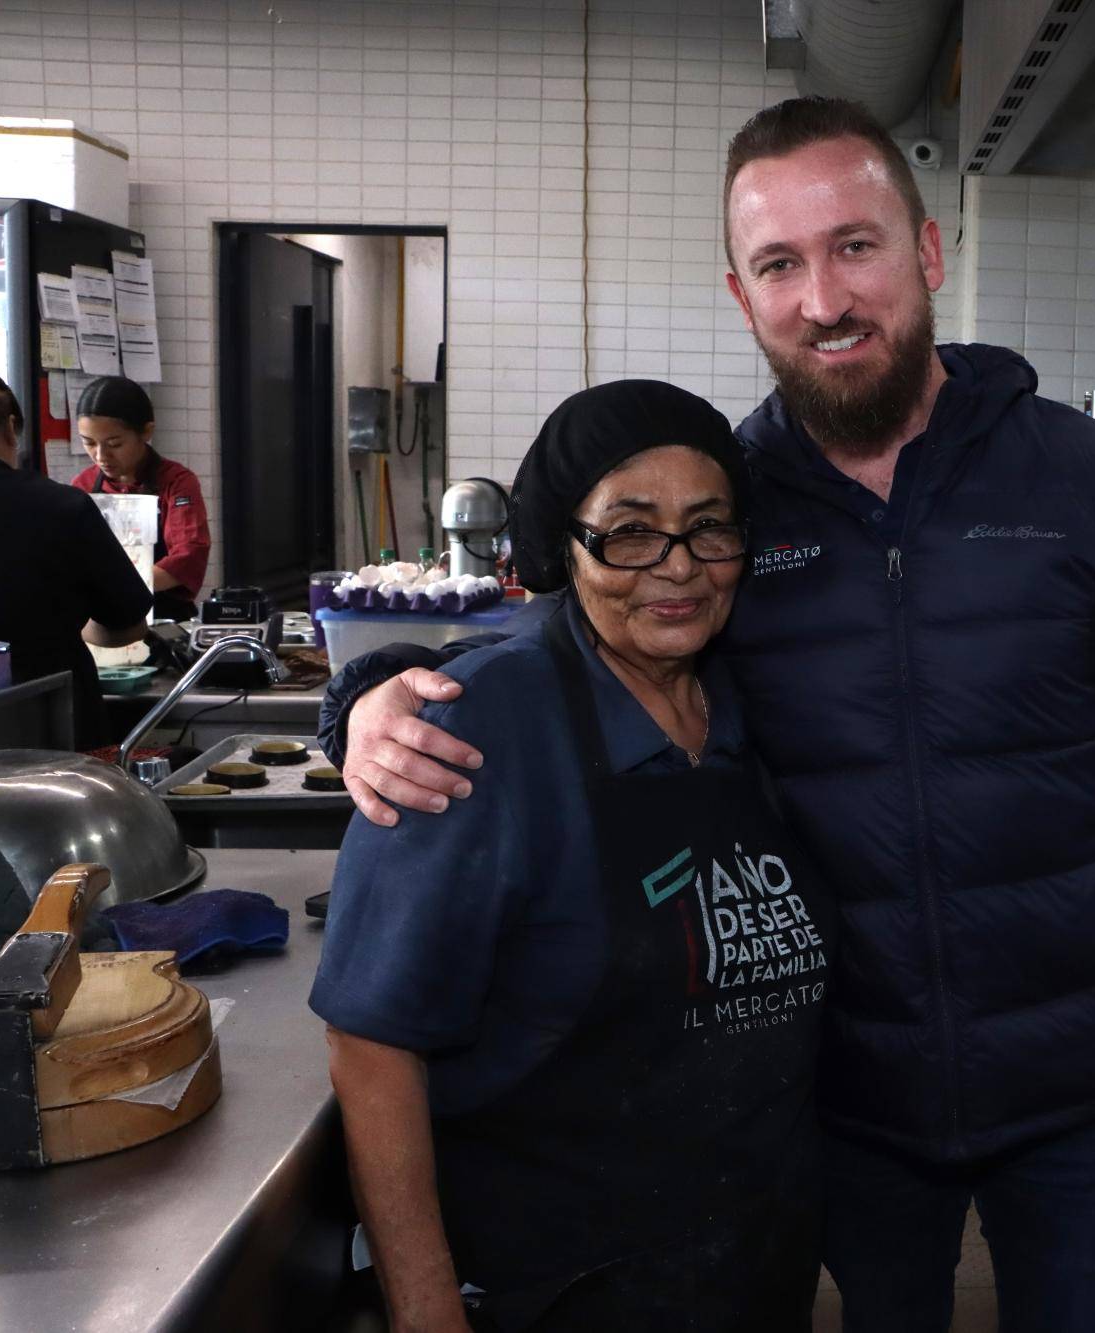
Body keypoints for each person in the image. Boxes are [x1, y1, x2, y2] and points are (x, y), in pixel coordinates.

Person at [321, 96, 1095, 1332]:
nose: (823, 298)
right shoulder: (726, 508)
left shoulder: (1084, 483)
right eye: (780, 264)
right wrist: (366, 694)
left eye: (854, 246)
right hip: (841, 1099)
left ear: (926, 254)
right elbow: (564, 638)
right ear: (741, 292)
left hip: (1085, 1085)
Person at [309, 381, 830, 1333]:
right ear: (563, 545)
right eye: (629, 532)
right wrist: (427, 1318)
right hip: (560, 1286)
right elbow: (372, 1044)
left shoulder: (748, 702)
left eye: (709, 527)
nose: (677, 568)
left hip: (751, 1267)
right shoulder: (479, 731)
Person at [0, 372, 153, 748]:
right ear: (12, 426)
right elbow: (130, 622)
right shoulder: (62, 506)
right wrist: (78, 629)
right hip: (49, 739)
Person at [69, 375, 210, 621]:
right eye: (89, 443)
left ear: (146, 431)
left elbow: (189, 555)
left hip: (163, 618)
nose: (101, 455)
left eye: (114, 443)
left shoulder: (176, 482)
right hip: (99, 621)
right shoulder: (82, 486)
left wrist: (121, 586)